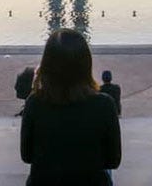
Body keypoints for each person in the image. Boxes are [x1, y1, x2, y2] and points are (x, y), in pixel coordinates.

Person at [20, 29, 121, 185]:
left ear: (47, 63)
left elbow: (27, 156)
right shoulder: (105, 104)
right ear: (86, 63)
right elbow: (113, 160)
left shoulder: (34, 102)